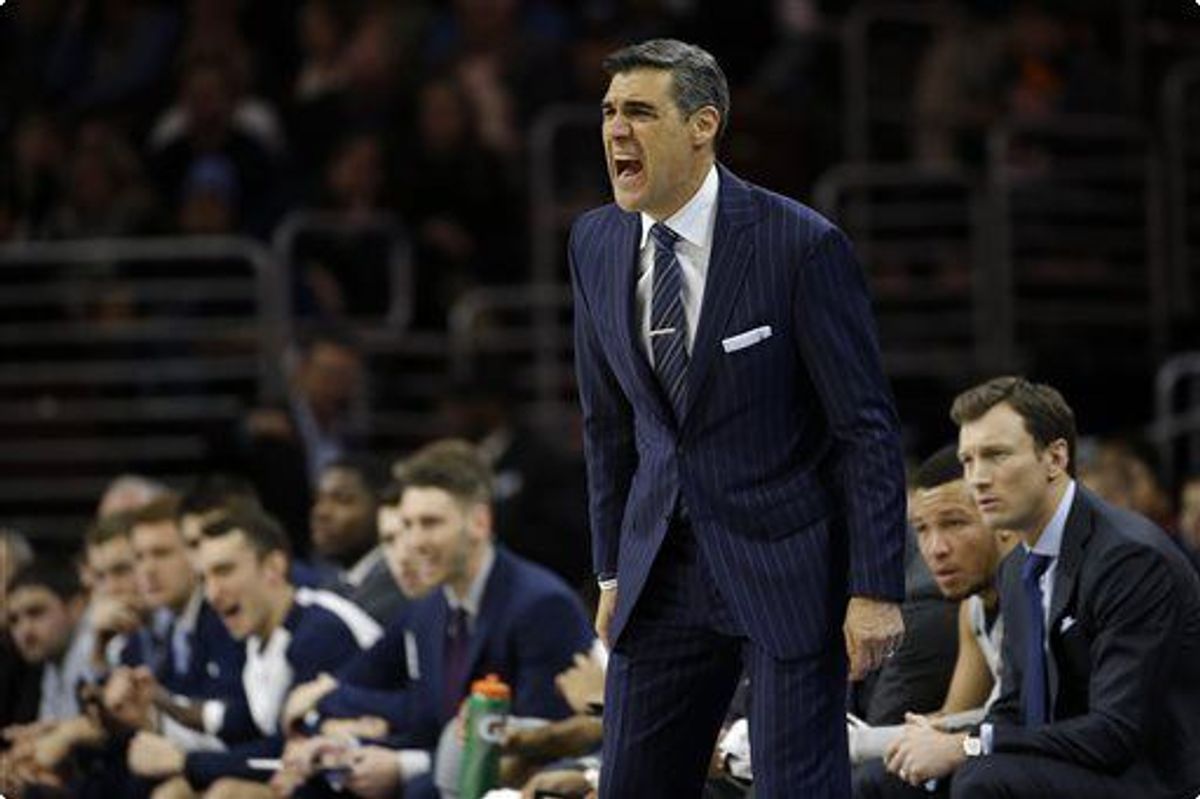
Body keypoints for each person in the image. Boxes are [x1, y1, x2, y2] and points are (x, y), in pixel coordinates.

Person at [569, 39, 906, 797]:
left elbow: (865, 429)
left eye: (640, 112)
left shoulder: (800, 245)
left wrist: (875, 586)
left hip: (785, 564)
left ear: (703, 125)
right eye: (610, 111)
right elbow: (606, 423)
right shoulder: (593, 241)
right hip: (659, 568)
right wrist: (612, 567)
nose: (616, 130)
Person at [883, 377, 1200, 798]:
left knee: (982, 779)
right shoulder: (1017, 567)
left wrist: (968, 746)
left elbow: (1115, 733)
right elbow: (1014, 708)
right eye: (968, 460)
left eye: (995, 456)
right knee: (894, 778)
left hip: (1150, 779)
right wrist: (950, 743)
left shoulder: (1129, 560)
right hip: (1064, 764)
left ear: (1055, 458)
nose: (977, 478)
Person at [278, 439, 594, 799]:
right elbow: (424, 721)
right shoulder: (429, 607)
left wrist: (404, 766)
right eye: (408, 524)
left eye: (430, 523)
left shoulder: (541, 605)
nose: (414, 542)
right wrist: (349, 747)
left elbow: (539, 750)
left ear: (479, 522)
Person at [125, 505, 382, 796]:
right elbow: (243, 723)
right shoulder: (257, 639)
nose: (212, 594)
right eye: (204, 579)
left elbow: (299, 751)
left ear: (273, 567)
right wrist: (160, 705)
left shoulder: (320, 631)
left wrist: (186, 762)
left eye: (224, 571)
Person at [852, 446, 1019, 797]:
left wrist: (860, 743)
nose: (936, 548)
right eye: (922, 529)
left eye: (954, 523)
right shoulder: (972, 608)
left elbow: (1019, 725)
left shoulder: (1032, 596)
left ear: (1000, 518)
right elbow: (954, 717)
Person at [310, 456, 408, 624]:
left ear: (382, 508)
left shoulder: (400, 585)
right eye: (318, 499)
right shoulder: (328, 588)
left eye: (342, 500)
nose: (321, 512)